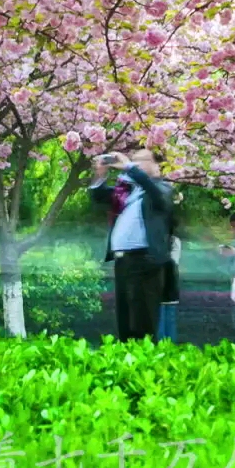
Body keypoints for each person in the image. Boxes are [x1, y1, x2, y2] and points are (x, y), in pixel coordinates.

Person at [88, 147, 175, 341]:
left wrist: (127, 165)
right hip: (123, 260)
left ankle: (144, 359)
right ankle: (125, 357)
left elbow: (158, 197)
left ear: (156, 165)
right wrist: (100, 175)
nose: (134, 164)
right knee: (125, 315)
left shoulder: (163, 189)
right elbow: (99, 197)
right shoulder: (127, 192)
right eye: (133, 160)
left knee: (142, 319)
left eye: (140, 160)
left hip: (146, 260)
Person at [157, 235, 182, 343]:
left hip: (167, 284)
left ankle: (167, 348)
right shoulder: (173, 240)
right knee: (163, 321)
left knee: (165, 320)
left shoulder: (173, 241)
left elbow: (171, 262)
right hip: (164, 285)